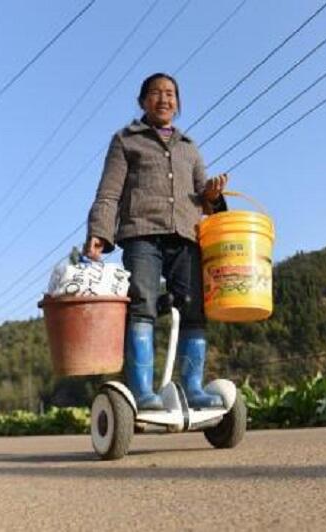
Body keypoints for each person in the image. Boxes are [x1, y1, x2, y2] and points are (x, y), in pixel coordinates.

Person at [85, 72, 227, 411]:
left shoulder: (190, 148)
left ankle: (193, 388)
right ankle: (143, 393)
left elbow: (204, 199)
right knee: (142, 303)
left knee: (194, 308)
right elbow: (108, 192)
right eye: (156, 93)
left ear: (177, 104)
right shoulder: (125, 140)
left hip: (186, 236)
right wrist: (98, 234)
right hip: (141, 234)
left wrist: (212, 195)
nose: (164, 99)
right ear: (142, 101)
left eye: (171, 94)